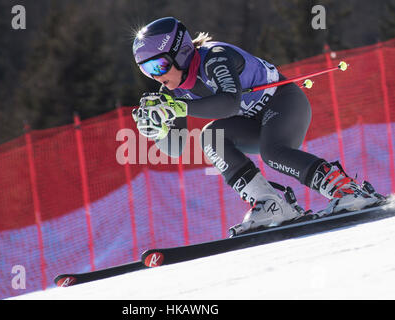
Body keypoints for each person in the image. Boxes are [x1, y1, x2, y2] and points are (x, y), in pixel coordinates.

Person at [131, 17, 384, 232]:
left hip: (284, 103)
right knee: (212, 137)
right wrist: (158, 130)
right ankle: (270, 203)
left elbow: (229, 103)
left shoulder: (215, 58)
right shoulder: (172, 91)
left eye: (158, 64)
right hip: (251, 122)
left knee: (272, 152)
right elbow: (175, 148)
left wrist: (179, 108)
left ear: (182, 52)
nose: (156, 76)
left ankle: (347, 189)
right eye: (146, 70)